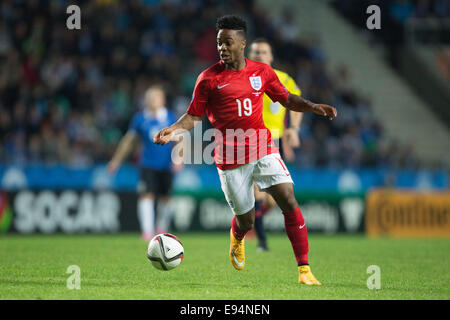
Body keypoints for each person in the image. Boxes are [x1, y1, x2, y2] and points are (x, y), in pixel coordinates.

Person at [154, 15, 337, 285]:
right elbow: (193, 117)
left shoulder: (262, 72)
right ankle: (237, 238)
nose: (222, 48)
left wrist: (312, 106)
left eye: (227, 43)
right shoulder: (208, 79)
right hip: (230, 159)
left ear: (242, 43)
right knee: (247, 220)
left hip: (263, 147)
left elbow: (286, 98)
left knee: (288, 197)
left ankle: (304, 269)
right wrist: (173, 129)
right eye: (219, 43)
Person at [248, 38, 303, 252]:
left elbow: (296, 103)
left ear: (271, 57)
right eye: (255, 52)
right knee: (257, 194)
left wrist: (293, 130)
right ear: (248, 56)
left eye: (263, 52)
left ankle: (249, 221)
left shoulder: (282, 78)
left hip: (275, 141)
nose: (259, 55)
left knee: (273, 200)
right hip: (250, 139)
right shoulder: (241, 78)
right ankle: (261, 243)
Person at [108, 84, 182, 241]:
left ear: (162, 100)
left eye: (156, 97)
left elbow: (180, 139)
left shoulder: (170, 117)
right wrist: (116, 161)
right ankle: (147, 232)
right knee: (146, 195)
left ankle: (161, 230)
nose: (152, 100)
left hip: (166, 165)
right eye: (149, 97)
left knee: (166, 198)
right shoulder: (139, 119)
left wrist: (179, 158)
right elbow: (128, 141)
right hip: (147, 164)